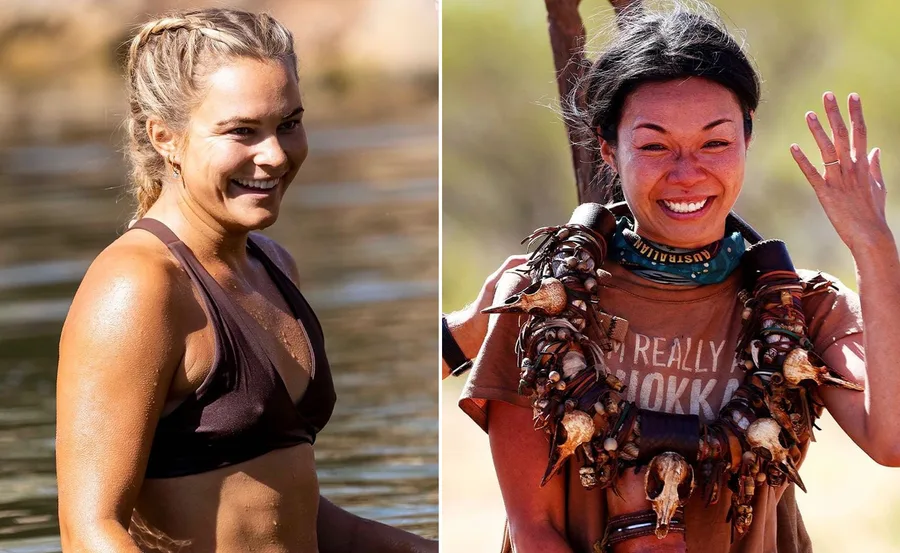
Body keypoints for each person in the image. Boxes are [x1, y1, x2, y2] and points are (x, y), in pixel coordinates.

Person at [453, 3, 899, 553]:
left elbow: (892, 439)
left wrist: (874, 245)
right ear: (607, 149)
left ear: (747, 138)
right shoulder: (546, 304)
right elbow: (533, 530)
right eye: (654, 145)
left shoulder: (804, 307)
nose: (687, 174)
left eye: (715, 142)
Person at [55, 9, 436, 553]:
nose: (276, 155)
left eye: (288, 124)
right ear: (165, 137)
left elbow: (284, 513)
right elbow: (89, 532)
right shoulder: (138, 287)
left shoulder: (274, 265)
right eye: (242, 131)